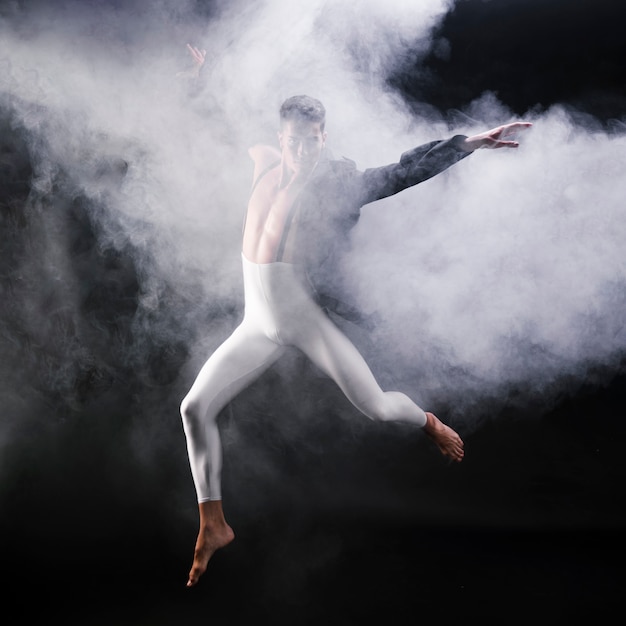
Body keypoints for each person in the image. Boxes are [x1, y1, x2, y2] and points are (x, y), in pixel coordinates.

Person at [180, 94, 532, 587]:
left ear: (324, 138)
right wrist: (197, 84)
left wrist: (469, 144)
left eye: (313, 140)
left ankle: (427, 420)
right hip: (257, 322)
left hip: (301, 317)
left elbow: (401, 172)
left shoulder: (336, 186)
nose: (304, 150)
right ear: (282, 139)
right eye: (295, 141)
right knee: (194, 408)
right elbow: (212, 118)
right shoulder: (261, 160)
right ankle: (213, 524)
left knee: (381, 409)